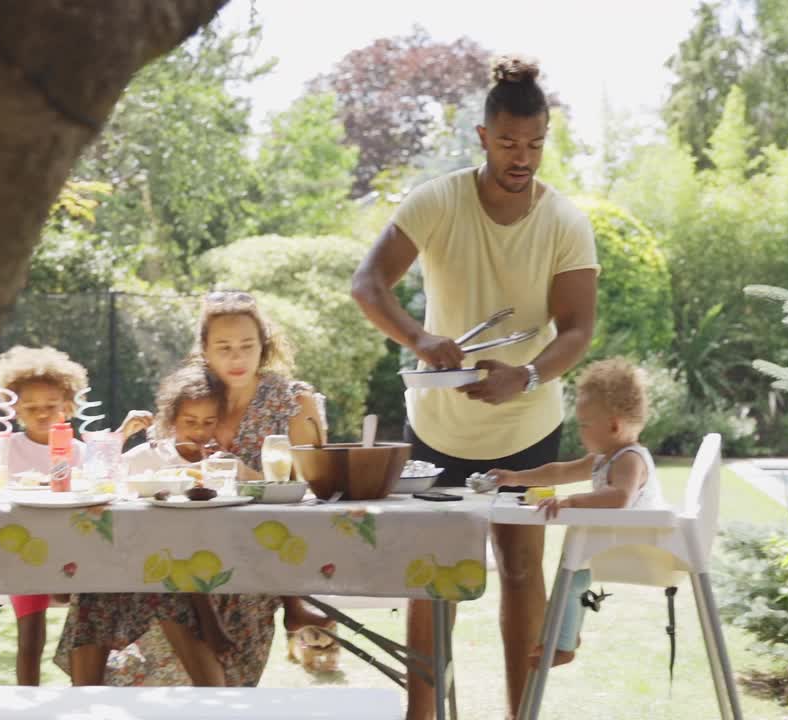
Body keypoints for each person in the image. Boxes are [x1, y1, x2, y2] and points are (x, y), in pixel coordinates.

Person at [350, 55, 598, 719]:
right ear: (483, 138)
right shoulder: (438, 201)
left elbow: (577, 330)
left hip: (530, 433)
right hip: (436, 430)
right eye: (511, 143)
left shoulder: (566, 222)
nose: (524, 158)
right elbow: (367, 284)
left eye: (536, 144)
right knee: (432, 583)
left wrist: (529, 374)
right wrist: (421, 340)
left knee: (522, 575)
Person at [57, 291, 332, 688]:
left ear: (264, 346)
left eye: (247, 346)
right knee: (96, 584)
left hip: (251, 560)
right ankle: (85, 705)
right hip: (176, 546)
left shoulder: (290, 399)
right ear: (204, 350)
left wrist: (247, 475)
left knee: (170, 587)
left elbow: (315, 487)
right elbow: (156, 468)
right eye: (223, 347)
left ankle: (215, 699)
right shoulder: (191, 398)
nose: (236, 358)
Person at [486, 356, 665, 666]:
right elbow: (559, 473)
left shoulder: (629, 459)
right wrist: (514, 479)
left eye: (584, 425)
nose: (579, 431)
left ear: (613, 425)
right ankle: (565, 638)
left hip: (639, 543)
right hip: (610, 540)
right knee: (571, 572)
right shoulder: (605, 456)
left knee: (571, 573)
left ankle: (563, 643)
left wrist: (570, 502)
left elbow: (619, 497)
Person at [0, 344, 151, 686]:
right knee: (30, 638)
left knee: (87, 615)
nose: (42, 413)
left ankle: (84, 692)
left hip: (73, 554)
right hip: (26, 554)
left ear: (69, 407)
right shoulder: (7, 448)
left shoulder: (77, 449)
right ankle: (27, 697)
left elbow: (104, 474)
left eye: (51, 406)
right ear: (15, 410)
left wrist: (122, 433)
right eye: (31, 407)